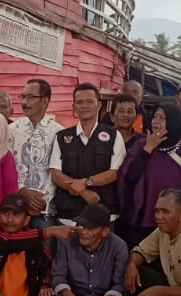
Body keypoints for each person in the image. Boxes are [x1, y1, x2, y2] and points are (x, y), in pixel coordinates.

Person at [50, 203, 130, 296]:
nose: (82, 231)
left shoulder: (119, 246)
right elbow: (58, 275)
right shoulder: (66, 240)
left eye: (89, 228)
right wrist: (66, 293)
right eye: (80, 225)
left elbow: (120, 285)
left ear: (105, 231)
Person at [118, 102, 181, 247]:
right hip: (144, 219)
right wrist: (148, 148)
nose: (156, 121)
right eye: (155, 116)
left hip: (176, 222)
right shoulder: (141, 145)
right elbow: (129, 177)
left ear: (173, 121)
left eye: (162, 118)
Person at [50, 82, 125, 225]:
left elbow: (115, 172)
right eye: (79, 102)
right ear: (73, 107)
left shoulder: (113, 135)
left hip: (103, 215)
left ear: (99, 105)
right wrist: (83, 192)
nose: (84, 106)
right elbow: (56, 174)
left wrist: (86, 182)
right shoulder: (62, 137)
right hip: (69, 217)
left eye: (90, 101)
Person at [11, 78, 60, 224]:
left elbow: (57, 171)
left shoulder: (58, 133)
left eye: (30, 97)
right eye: (23, 97)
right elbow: (6, 166)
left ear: (45, 101)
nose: (24, 102)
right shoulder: (12, 130)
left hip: (44, 210)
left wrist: (41, 201)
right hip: (15, 207)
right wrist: (21, 190)